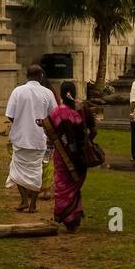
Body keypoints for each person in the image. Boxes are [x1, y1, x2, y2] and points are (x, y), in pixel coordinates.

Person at [39, 80, 98, 232]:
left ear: (61, 94)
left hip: (62, 158)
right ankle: (74, 219)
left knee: (63, 187)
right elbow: (94, 130)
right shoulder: (83, 109)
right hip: (80, 158)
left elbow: (49, 132)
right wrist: (86, 142)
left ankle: (68, 218)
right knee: (74, 188)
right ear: (75, 92)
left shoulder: (56, 112)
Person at [4, 65, 55, 213]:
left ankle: (24, 200)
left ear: (26, 75)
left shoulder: (17, 91)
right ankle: (32, 204)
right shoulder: (47, 93)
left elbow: (10, 114)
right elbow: (53, 116)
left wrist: (21, 124)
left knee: (17, 170)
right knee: (36, 171)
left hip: (20, 138)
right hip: (40, 139)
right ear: (41, 76)